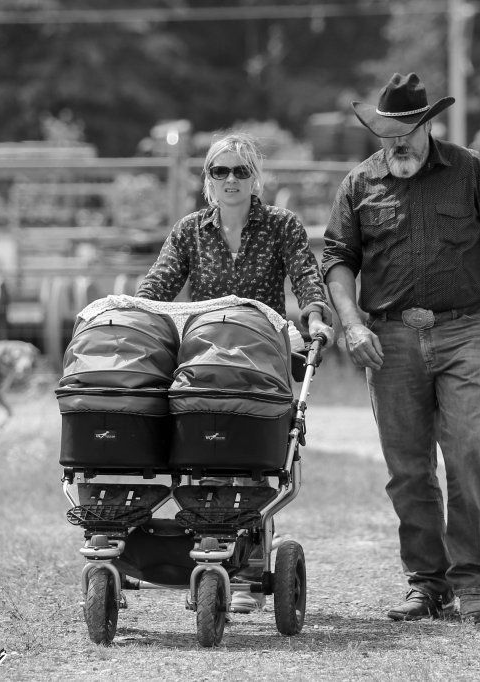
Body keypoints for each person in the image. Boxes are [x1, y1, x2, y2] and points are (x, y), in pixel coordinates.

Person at [322, 73, 480, 622]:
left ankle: (473, 581)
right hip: (388, 338)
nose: (400, 141)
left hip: (465, 329)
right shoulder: (357, 184)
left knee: (468, 450)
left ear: (430, 125)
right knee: (409, 469)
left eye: (410, 129)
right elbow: (338, 260)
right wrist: (352, 323)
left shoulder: (469, 170)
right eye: (389, 131)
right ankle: (426, 582)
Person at [136, 131, 335, 613]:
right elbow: (158, 283)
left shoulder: (281, 226)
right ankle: (206, 555)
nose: (229, 180)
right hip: (203, 357)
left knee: (253, 460)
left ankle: (249, 565)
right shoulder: (190, 231)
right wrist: (133, 315)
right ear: (207, 180)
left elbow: (307, 277)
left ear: (255, 179)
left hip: (259, 358)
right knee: (199, 454)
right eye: (218, 171)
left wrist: (314, 317)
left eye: (240, 171)